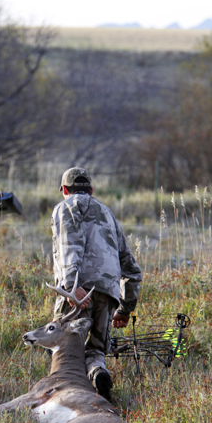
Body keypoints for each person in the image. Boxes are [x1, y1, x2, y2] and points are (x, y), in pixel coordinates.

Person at [51, 167, 142, 401]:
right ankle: (98, 377)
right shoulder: (107, 213)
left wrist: (72, 286)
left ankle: (66, 398)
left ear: (64, 190)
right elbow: (130, 266)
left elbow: (68, 245)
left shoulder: (64, 208)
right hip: (108, 292)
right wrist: (125, 307)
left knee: (65, 348)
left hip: (79, 292)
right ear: (91, 189)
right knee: (96, 351)